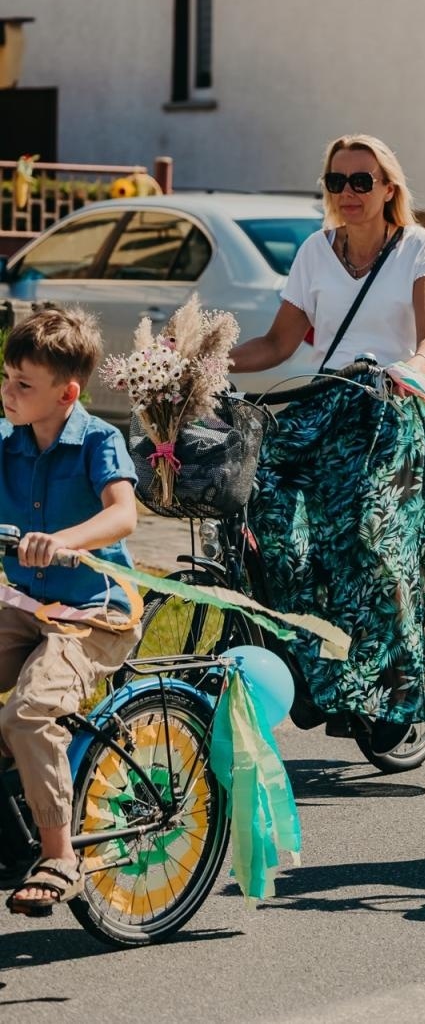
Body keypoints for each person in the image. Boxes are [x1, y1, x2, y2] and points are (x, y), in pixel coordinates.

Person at [230, 133, 425, 746]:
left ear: (389, 189)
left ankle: (397, 687)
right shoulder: (316, 251)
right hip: (322, 409)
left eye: (361, 181)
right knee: (266, 517)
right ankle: (319, 673)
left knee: (369, 534)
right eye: (337, 181)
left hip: (393, 413)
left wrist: (413, 370)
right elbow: (278, 344)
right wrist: (202, 362)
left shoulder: (421, 248)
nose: (347, 192)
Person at [0, 308, 142, 916]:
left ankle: (60, 854)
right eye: (5, 377)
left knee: (30, 713)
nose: (8, 392)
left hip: (93, 612)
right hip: (24, 605)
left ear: (67, 392)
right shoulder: (5, 445)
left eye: (23, 385)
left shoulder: (98, 441)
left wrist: (66, 541)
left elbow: (124, 515)